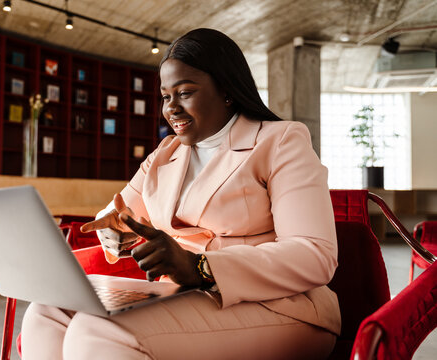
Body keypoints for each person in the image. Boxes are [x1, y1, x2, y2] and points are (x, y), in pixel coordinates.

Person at [21, 28, 341, 360]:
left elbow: (314, 255)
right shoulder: (165, 154)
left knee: (98, 333)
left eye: (185, 92)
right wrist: (114, 231)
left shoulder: (280, 141)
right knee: (47, 313)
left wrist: (200, 266)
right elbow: (121, 216)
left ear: (227, 91)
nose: (171, 108)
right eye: (165, 96)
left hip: (280, 308)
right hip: (182, 295)